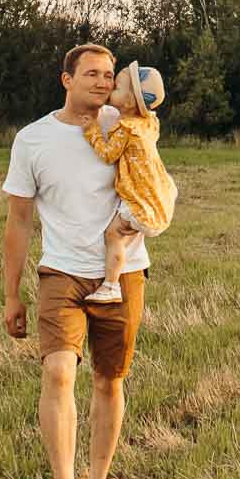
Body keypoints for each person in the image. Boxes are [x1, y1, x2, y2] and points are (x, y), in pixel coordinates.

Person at [1, 43, 154, 479]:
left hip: (123, 273)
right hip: (61, 272)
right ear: (66, 80)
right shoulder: (33, 139)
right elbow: (19, 219)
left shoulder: (126, 128)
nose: (103, 82)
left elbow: (151, 184)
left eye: (109, 74)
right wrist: (11, 293)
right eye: (91, 73)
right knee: (59, 374)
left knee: (110, 381)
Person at [82, 61, 176, 304]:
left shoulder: (125, 128)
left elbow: (108, 154)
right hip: (155, 191)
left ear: (130, 102)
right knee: (121, 234)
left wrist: (92, 130)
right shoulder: (148, 123)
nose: (111, 86)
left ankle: (111, 284)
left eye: (118, 86)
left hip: (138, 198)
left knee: (113, 235)